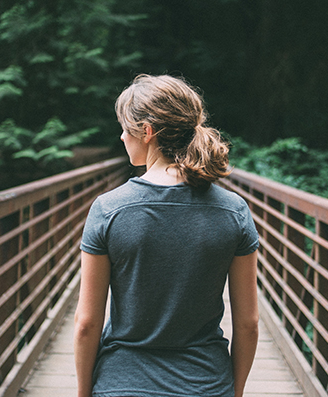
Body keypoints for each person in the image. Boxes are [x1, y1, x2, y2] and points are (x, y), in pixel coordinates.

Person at [74, 74, 259, 397]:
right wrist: (234, 391)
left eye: (124, 127)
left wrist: (82, 393)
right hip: (206, 384)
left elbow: (87, 323)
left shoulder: (109, 209)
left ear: (146, 132)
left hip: (123, 385)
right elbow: (249, 324)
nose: (121, 137)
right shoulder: (233, 211)